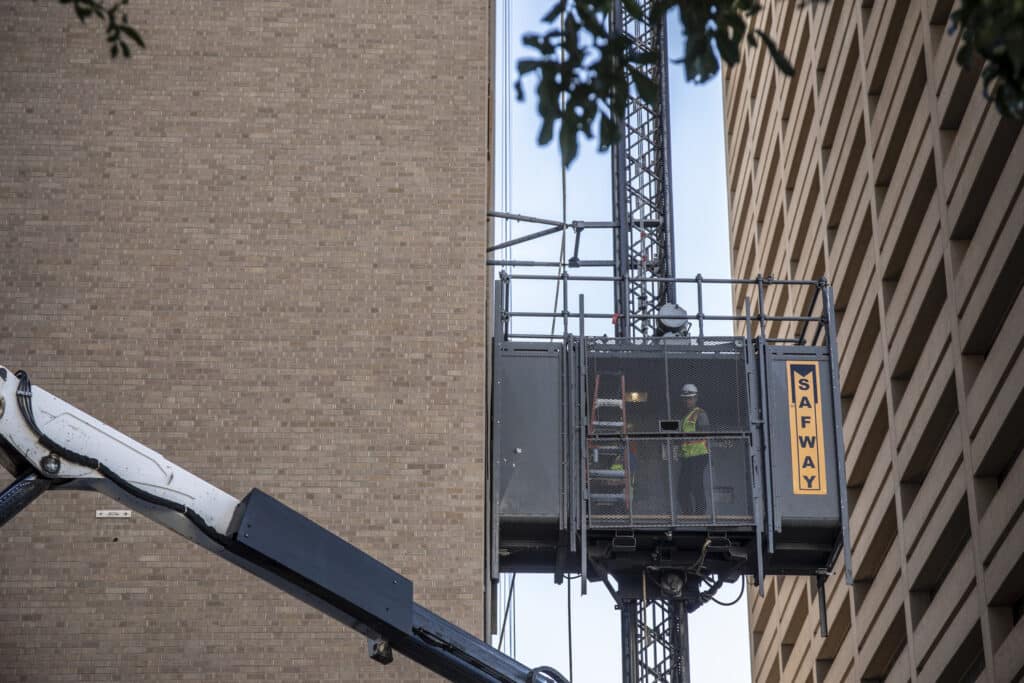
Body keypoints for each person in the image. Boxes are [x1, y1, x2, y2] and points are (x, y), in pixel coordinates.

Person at [677, 383, 710, 515]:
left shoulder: (700, 414)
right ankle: (689, 515)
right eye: (685, 398)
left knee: (696, 486)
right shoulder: (685, 417)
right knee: (682, 490)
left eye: (690, 398)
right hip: (687, 458)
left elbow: (705, 433)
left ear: (696, 398)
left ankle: (700, 515)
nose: (687, 401)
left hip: (699, 456)